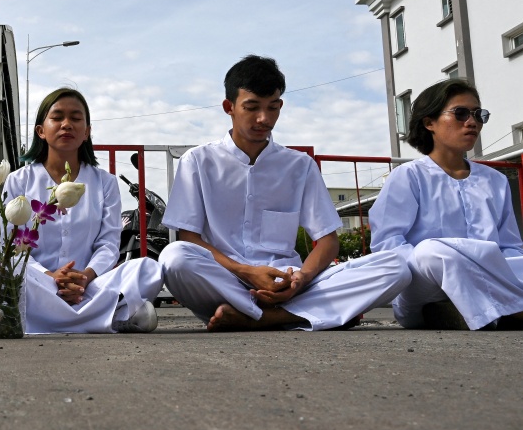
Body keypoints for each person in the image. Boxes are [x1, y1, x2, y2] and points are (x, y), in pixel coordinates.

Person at [159, 55, 410, 331]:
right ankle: (301, 315)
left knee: (397, 266)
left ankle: (260, 318)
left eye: (273, 108)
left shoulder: (299, 166)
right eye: (252, 107)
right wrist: (247, 272)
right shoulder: (197, 161)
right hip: (226, 280)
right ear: (228, 107)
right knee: (175, 258)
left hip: (289, 285)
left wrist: (302, 278)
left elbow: (328, 241)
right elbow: (189, 238)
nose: (264, 119)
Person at [0, 88, 163, 334]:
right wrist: (51, 277)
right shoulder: (19, 181)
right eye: (57, 117)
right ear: (41, 130)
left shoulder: (105, 182)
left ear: (87, 132)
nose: (67, 124)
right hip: (37, 285)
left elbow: (109, 244)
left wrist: (84, 277)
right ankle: (108, 316)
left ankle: (51, 320)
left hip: (87, 287)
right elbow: (13, 245)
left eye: (76, 118)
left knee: (148, 268)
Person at [369, 79, 523, 330]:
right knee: (433, 252)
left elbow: (510, 247)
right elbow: (388, 246)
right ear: (429, 122)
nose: (472, 122)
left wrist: (486, 265)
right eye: (460, 113)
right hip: (426, 287)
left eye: (479, 115)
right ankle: (508, 310)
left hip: (492, 276)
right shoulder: (408, 176)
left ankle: (474, 310)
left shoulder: (495, 180)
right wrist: (463, 262)